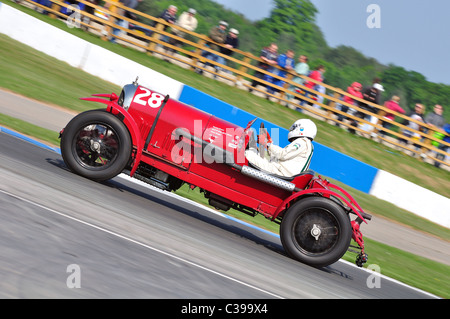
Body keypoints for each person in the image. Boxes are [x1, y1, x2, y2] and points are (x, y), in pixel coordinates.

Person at [244, 119, 316, 177]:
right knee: (253, 151)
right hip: (279, 171)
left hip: (280, 173)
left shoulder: (302, 142)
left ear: (301, 129)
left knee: (246, 154)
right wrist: (269, 143)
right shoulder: (306, 144)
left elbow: (282, 154)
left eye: (294, 128)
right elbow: (281, 157)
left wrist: (267, 144)